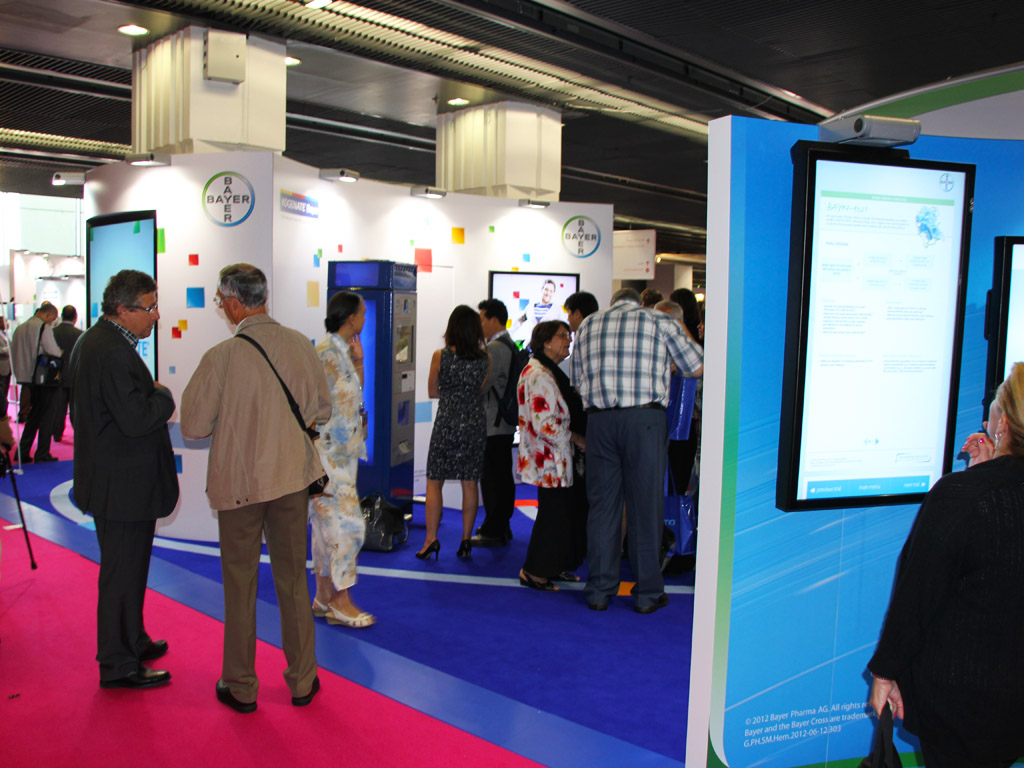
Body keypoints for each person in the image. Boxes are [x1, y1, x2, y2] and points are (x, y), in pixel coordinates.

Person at [180, 264, 330, 714]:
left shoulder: (221, 356)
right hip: (291, 481)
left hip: (240, 485)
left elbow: (192, 425)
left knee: (240, 584)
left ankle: (242, 685)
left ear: (231, 301)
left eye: (218, 299)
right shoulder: (302, 345)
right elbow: (320, 410)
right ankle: (303, 679)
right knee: (292, 581)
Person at [868, 364, 1024, 767]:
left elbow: (917, 595)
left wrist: (887, 673)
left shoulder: (962, 497)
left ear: (1002, 424)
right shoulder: (975, 495)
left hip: (966, 700)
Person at [65, 270, 177, 689]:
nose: (156, 315)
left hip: (114, 479)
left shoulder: (95, 341)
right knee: (121, 572)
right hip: (122, 483)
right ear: (124, 309)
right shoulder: (111, 350)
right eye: (149, 307)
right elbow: (135, 418)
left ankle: (133, 639)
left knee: (129, 569)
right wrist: (163, 396)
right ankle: (117, 663)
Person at [571, 288, 703, 613]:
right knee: (645, 506)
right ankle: (647, 595)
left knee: (602, 507)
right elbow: (697, 366)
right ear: (638, 302)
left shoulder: (588, 324)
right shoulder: (658, 319)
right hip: (645, 420)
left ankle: (599, 590)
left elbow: (576, 379)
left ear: (613, 300)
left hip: (600, 422)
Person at [309, 291, 375, 629]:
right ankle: (340, 600)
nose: (364, 318)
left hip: (342, 453)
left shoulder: (343, 351)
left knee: (324, 529)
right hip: (328, 456)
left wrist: (360, 361)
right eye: (362, 313)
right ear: (350, 317)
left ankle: (323, 596)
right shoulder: (325, 353)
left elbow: (350, 396)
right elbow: (311, 405)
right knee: (348, 526)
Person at [517, 320, 587, 590]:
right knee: (553, 515)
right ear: (546, 342)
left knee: (560, 515)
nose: (568, 340)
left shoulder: (545, 371)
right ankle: (534, 571)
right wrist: (576, 439)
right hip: (549, 458)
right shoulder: (539, 374)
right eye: (562, 336)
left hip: (553, 457)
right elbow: (544, 422)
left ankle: (552, 566)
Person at [417, 305, 489, 561]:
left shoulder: (441, 356)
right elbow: (479, 389)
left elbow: (432, 391)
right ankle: (466, 540)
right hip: (474, 423)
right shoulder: (484, 359)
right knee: (470, 483)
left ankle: (430, 540)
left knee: (434, 481)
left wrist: (450, 394)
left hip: (447, 421)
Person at [472, 298, 517, 546]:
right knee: (501, 475)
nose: (479, 325)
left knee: (492, 478)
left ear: (493, 319)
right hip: (502, 423)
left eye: (481, 319)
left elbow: (483, 385)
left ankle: (494, 528)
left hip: (493, 423)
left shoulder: (496, 349)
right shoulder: (508, 345)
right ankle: (501, 525)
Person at [11, 302, 62, 462]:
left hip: (25, 378)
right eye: (52, 319)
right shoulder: (43, 328)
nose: (51, 322)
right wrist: (61, 353)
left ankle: (23, 451)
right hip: (41, 379)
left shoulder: (20, 328)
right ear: (48, 315)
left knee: (32, 417)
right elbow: (53, 351)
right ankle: (42, 453)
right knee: (45, 416)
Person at [52, 305, 83, 442]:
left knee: (58, 407)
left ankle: (57, 434)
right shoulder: (80, 334)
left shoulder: (53, 332)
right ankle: (79, 434)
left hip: (56, 374)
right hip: (75, 374)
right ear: (75, 317)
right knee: (75, 407)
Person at [0, 317, 10, 416]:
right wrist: (8, 349)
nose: (7, 323)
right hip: (1, 367)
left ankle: (4, 413)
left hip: (7, 367)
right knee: (1, 391)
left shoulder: (5, 334)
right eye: (5, 321)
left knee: (5, 391)